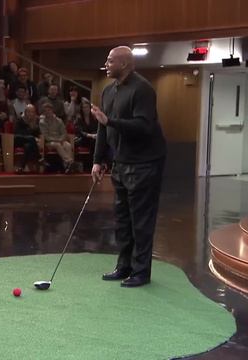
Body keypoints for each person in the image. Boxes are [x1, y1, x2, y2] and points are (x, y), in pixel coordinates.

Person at [91, 46, 167, 288]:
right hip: (121, 163)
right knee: (122, 219)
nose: (106, 63)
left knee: (141, 220)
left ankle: (141, 271)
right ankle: (124, 266)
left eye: (110, 60)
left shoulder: (142, 89)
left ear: (124, 64)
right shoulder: (107, 90)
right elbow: (103, 128)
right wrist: (97, 159)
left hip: (145, 164)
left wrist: (110, 120)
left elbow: (144, 126)